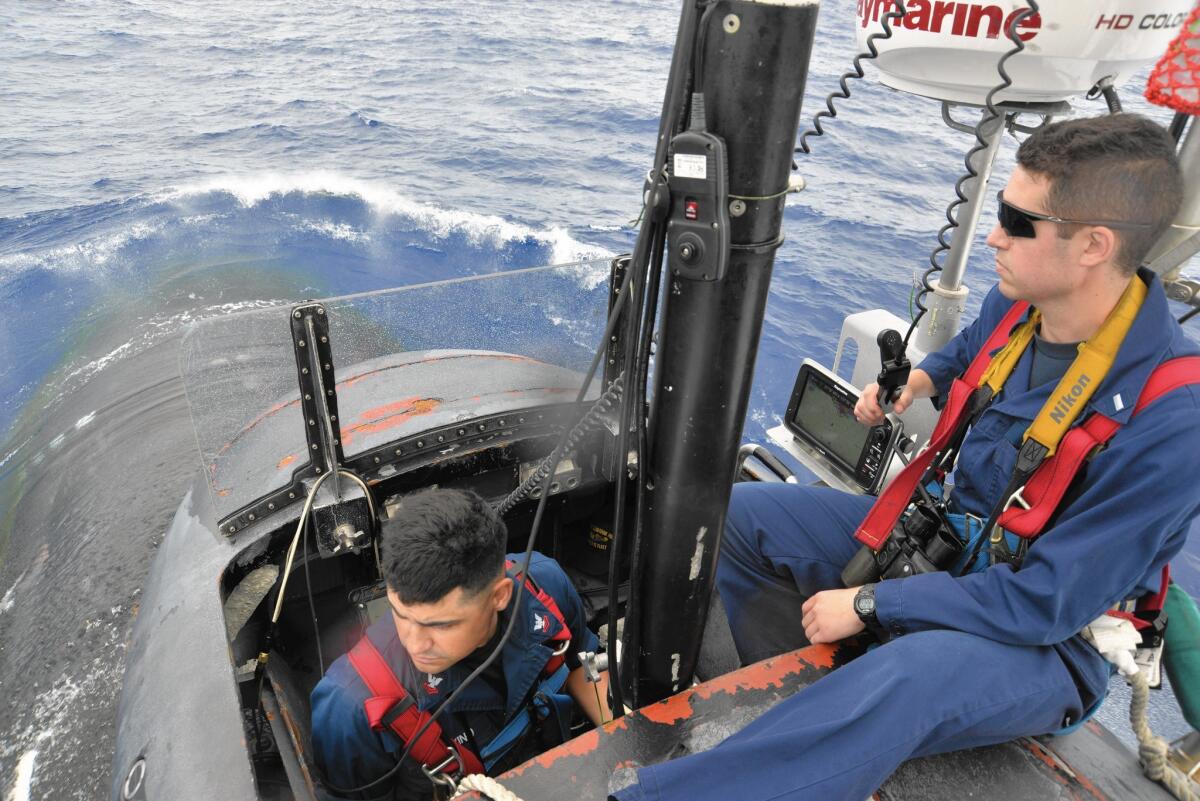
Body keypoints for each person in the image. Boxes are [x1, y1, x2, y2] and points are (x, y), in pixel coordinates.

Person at [611, 113, 1200, 801]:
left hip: (1048, 640)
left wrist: (871, 601)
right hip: (942, 548)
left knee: (908, 673)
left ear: (1095, 246)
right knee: (734, 521)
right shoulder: (1022, 303)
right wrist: (920, 379)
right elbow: (971, 350)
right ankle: (798, 703)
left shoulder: (1174, 415)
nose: (993, 234)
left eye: (1016, 219)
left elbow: (1047, 603)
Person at [311, 487, 607, 800]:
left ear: (500, 596)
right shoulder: (351, 707)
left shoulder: (544, 587)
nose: (415, 643)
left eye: (440, 625)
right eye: (400, 613)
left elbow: (582, 668)